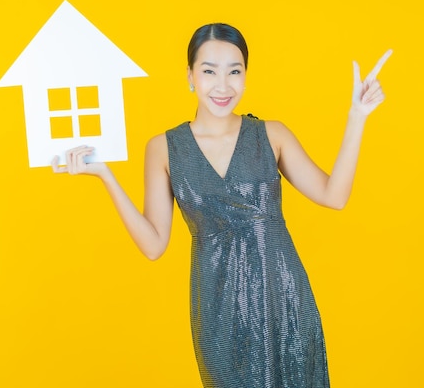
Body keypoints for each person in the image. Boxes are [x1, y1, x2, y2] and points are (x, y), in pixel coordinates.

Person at [52, 23, 391, 388]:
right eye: (209, 71)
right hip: (219, 313)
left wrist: (357, 117)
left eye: (235, 71)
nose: (223, 85)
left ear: (246, 75)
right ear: (190, 76)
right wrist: (106, 176)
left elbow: (333, 196)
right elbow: (153, 246)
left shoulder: (272, 134)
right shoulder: (163, 148)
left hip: (285, 303)